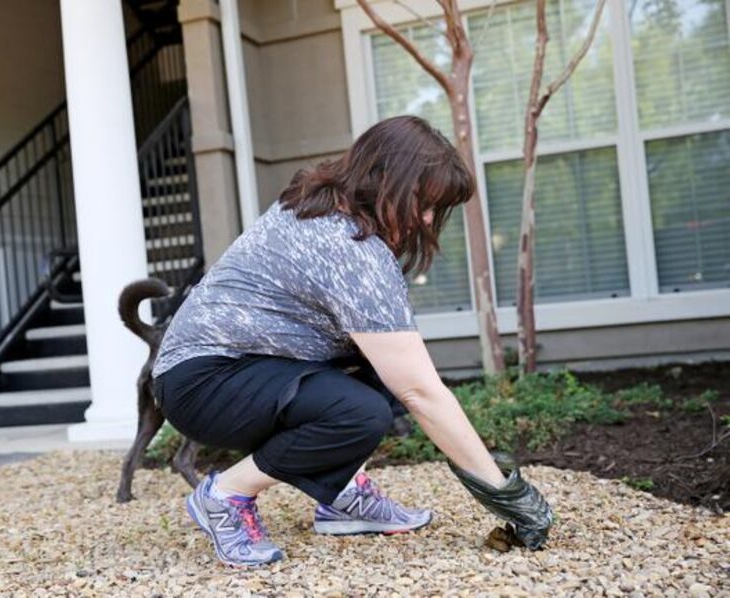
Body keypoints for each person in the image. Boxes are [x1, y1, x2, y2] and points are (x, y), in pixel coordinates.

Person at [151, 115, 552, 568]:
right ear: (385, 183)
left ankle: (341, 498)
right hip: (204, 382)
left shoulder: (321, 206)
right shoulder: (348, 246)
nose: (425, 219)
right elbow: (421, 393)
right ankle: (225, 495)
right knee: (361, 410)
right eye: (423, 203)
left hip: (228, 370)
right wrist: (506, 494)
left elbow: (406, 373)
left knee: (389, 367)